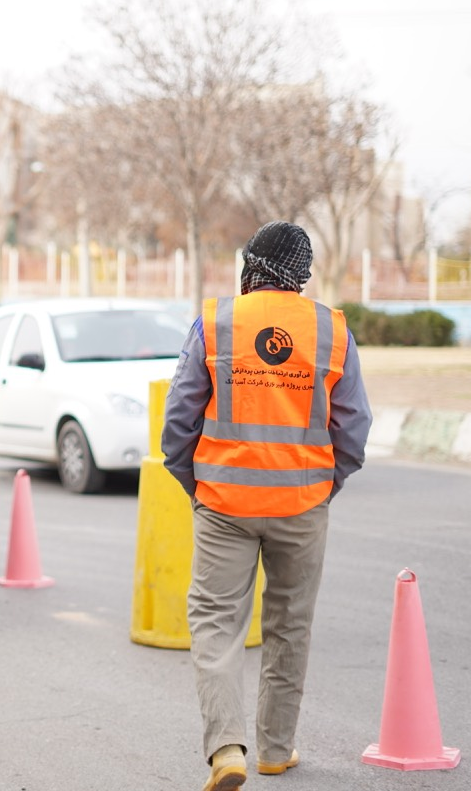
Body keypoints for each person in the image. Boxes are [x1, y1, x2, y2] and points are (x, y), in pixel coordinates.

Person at [161, 221, 372, 791]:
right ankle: (276, 750)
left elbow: (178, 420)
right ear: (301, 276)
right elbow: (354, 428)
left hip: (224, 504)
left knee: (215, 622)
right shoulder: (331, 330)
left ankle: (227, 749)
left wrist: (198, 484)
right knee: (289, 625)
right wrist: (324, 485)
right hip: (302, 505)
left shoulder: (215, 322)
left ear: (251, 265)